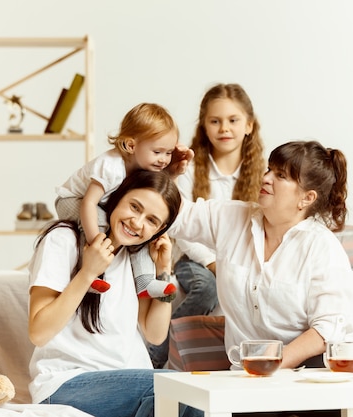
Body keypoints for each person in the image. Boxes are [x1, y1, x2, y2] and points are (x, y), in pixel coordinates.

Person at [168, 140, 353, 370]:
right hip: (263, 374)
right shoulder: (231, 218)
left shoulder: (322, 246)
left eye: (281, 176)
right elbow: (174, 217)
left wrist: (271, 363)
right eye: (269, 169)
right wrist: (168, 175)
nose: (266, 177)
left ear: (307, 198)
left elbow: (327, 329)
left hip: (333, 365)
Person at [28, 169, 200, 417]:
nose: (137, 223)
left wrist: (164, 269)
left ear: (160, 230)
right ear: (117, 198)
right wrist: (88, 273)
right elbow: (39, 332)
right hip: (66, 383)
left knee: (193, 396)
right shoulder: (63, 240)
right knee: (177, 389)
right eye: (134, 207)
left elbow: (155, 333)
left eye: (152, 220)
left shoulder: (136, 257)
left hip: (132, 379)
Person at [148, 83, 266, 369]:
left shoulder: (262, 173)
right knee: (206, 289)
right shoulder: (189, 169)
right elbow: (181, 225)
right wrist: (214, 263)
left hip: (239, 257)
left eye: (233, 120)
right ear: (204, 126)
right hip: (195, 259)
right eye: (215, 121)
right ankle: (158, 350)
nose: (224, 128)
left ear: (249, 125)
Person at [55, 103, 194, 299]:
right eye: (157, 152)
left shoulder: (144, 165)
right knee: (101, 221)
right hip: (71, 199)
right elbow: (88, 203)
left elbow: (160, 199)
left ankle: (145, 281)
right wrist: (97, 240)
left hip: (102, 204)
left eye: (168, 152)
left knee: (143, 230)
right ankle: (89, 274)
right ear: (131, 146)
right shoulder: (110, 167)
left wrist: (173, 173)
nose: (164, 159)